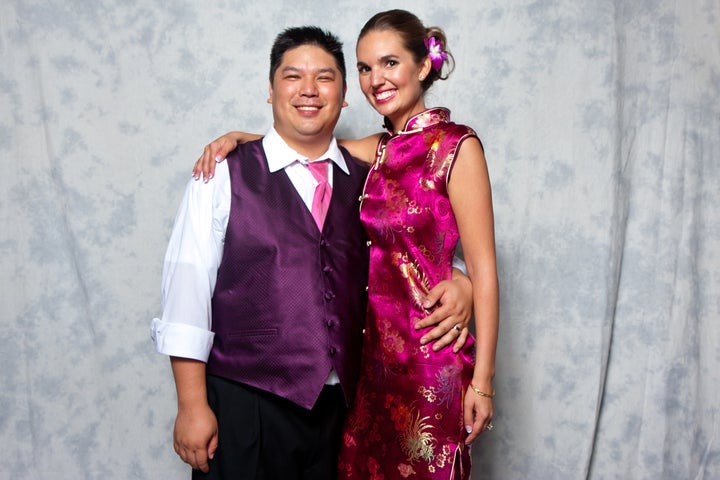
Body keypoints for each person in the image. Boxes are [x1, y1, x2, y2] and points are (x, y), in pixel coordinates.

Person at [153, 25, 474, 480]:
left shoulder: (369, 179)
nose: (308, 90)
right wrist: (191, 406)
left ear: (344, 96)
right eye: (292, 76)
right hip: (246, 404)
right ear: (270, 91)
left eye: (324, 78)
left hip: (343, 411)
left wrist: (461, 277)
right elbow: (185, 293)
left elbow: (417, 241)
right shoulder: (223, 174)